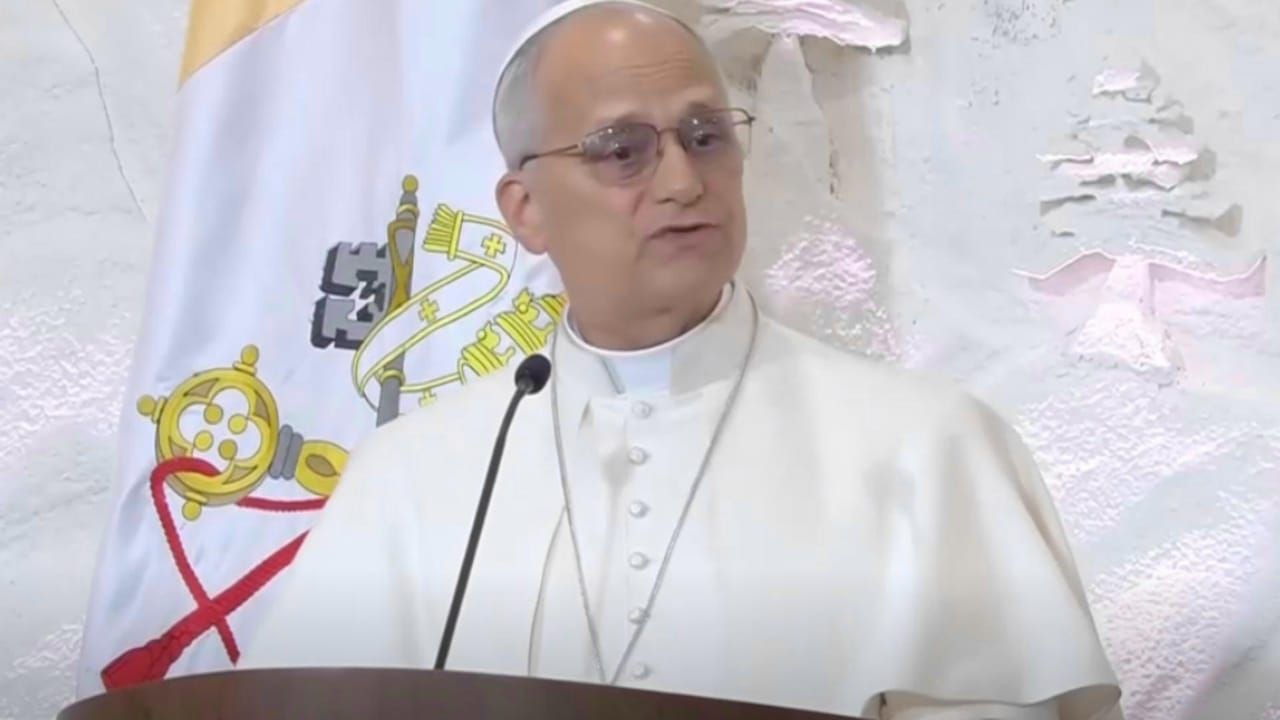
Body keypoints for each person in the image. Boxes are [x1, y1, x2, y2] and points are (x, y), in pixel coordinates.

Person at [240, 1, 1123, 717]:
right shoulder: (410, 477)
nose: (681, 182)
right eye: (621, 151)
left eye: (705, 136)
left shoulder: (929, 448)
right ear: (526, 209)